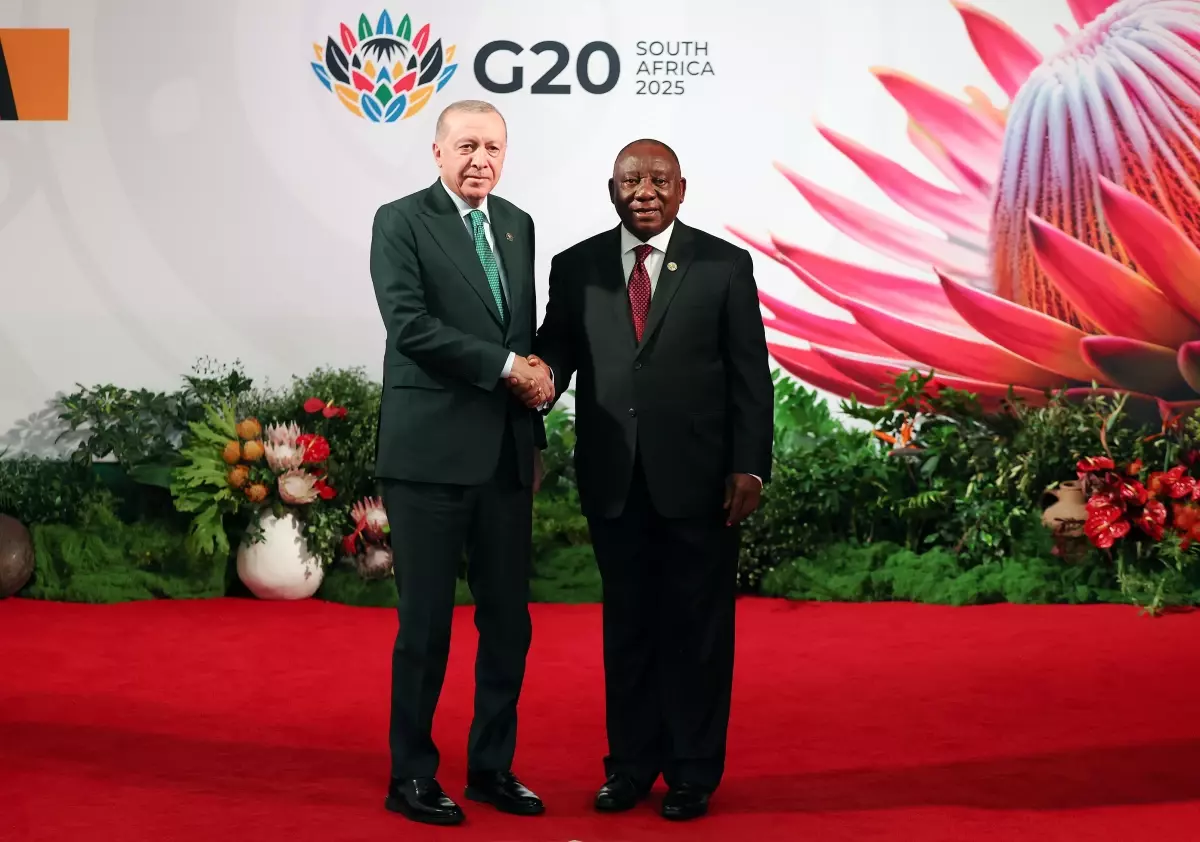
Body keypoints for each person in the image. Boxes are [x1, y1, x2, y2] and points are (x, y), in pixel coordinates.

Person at [515, 138, 774, 820]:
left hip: (702, 481)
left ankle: (692, 772)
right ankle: (629, 767)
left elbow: (750, 373)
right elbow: (559, 348)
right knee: (627, 628)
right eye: (631, 181)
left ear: (681, 189)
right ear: (612, 191)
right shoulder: (576, 266)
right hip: (615, 478)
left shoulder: (724, 265)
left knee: (697, 630)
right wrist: (539, 376)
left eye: (659, 180)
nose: (645, 192)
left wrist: (750, 463)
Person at [368, 99, 553, 826]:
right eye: (468, 145)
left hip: (505, 456)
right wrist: (508, 366)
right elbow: (409, 326)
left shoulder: (516, 223)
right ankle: (411, 774)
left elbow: (520, 330)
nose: (481, 160)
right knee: (426, 628)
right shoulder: (401, 221)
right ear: (438, 152)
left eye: (493, 148)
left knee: (509, 625)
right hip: (428, 458)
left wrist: (535, 398)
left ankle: (491, 768)